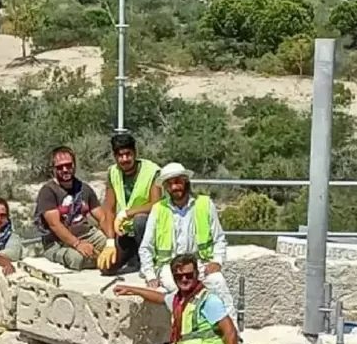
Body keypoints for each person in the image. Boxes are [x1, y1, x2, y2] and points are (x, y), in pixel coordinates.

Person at [138, 162, 236, 321]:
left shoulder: (204, 204)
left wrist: (217, 261)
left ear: (185, 181)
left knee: (218, 282)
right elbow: (146, 247)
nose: (175, 186)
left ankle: (233, 333)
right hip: (169, 266)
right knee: (179, 289)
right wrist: (150, 275)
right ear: (166, 188)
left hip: (200, 263)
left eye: (178, 181)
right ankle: (194, 328)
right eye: (169, 183)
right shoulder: (158, 209)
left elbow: (219, 238)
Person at [33, 146, 118, 271]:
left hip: (87, 234)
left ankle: (104, 259)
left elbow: (102, 217)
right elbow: (55, 225)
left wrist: (111, 241)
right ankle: (101, 260)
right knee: (77, 259)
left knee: (116, 248)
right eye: (60, 167)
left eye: (68, 165)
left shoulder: (84, 188)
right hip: (58, 242)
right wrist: (78, 244)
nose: (65, 169)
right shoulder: (48, 192)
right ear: (53, 169)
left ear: (74, 165)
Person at [102, 133, 161, 272]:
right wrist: (110, 242)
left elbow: (156, 204)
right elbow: (109, 209)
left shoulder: (152, 171)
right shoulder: (112, 172)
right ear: (115, 156)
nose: (124, 159)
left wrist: (127, 213)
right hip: (125, 232)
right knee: (106, 268)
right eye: (120, 156)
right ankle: (132, 255)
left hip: (150, 229)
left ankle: (149, 264)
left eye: (128, 154)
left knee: (139, 220)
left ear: (135, 153)